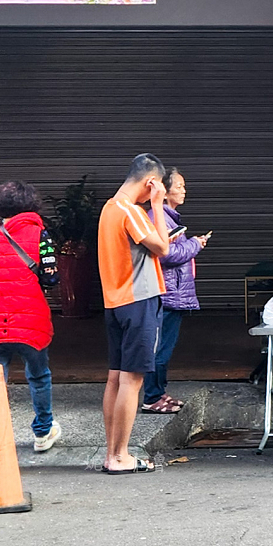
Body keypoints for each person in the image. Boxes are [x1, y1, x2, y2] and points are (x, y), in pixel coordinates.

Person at [0, 181, 62, 452]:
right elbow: (52, 277)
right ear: (31, 205)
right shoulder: (40, 234)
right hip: (30, 319)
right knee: (39, 375)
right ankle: (43, 432)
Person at [98, 153, 171, 474]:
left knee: (115, 377)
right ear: (151, 183)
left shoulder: (109, 208)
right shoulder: (133, 210)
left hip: (115, 301)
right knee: (133, 380)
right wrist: (157, 205)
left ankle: (112, 453)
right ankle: (120, 457)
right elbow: (162, 247)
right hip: (139, 300)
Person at [142, 167, 209, 415]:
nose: (184, 190)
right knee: (160, 349)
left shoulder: (169, 218)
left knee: (165, 348)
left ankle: (159, 392)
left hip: (173, 292)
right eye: (179, 186)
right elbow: (167, 254)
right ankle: (151, 397)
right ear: (165, 190)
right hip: (166, 294)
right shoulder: (157, 216)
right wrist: (195, 243)